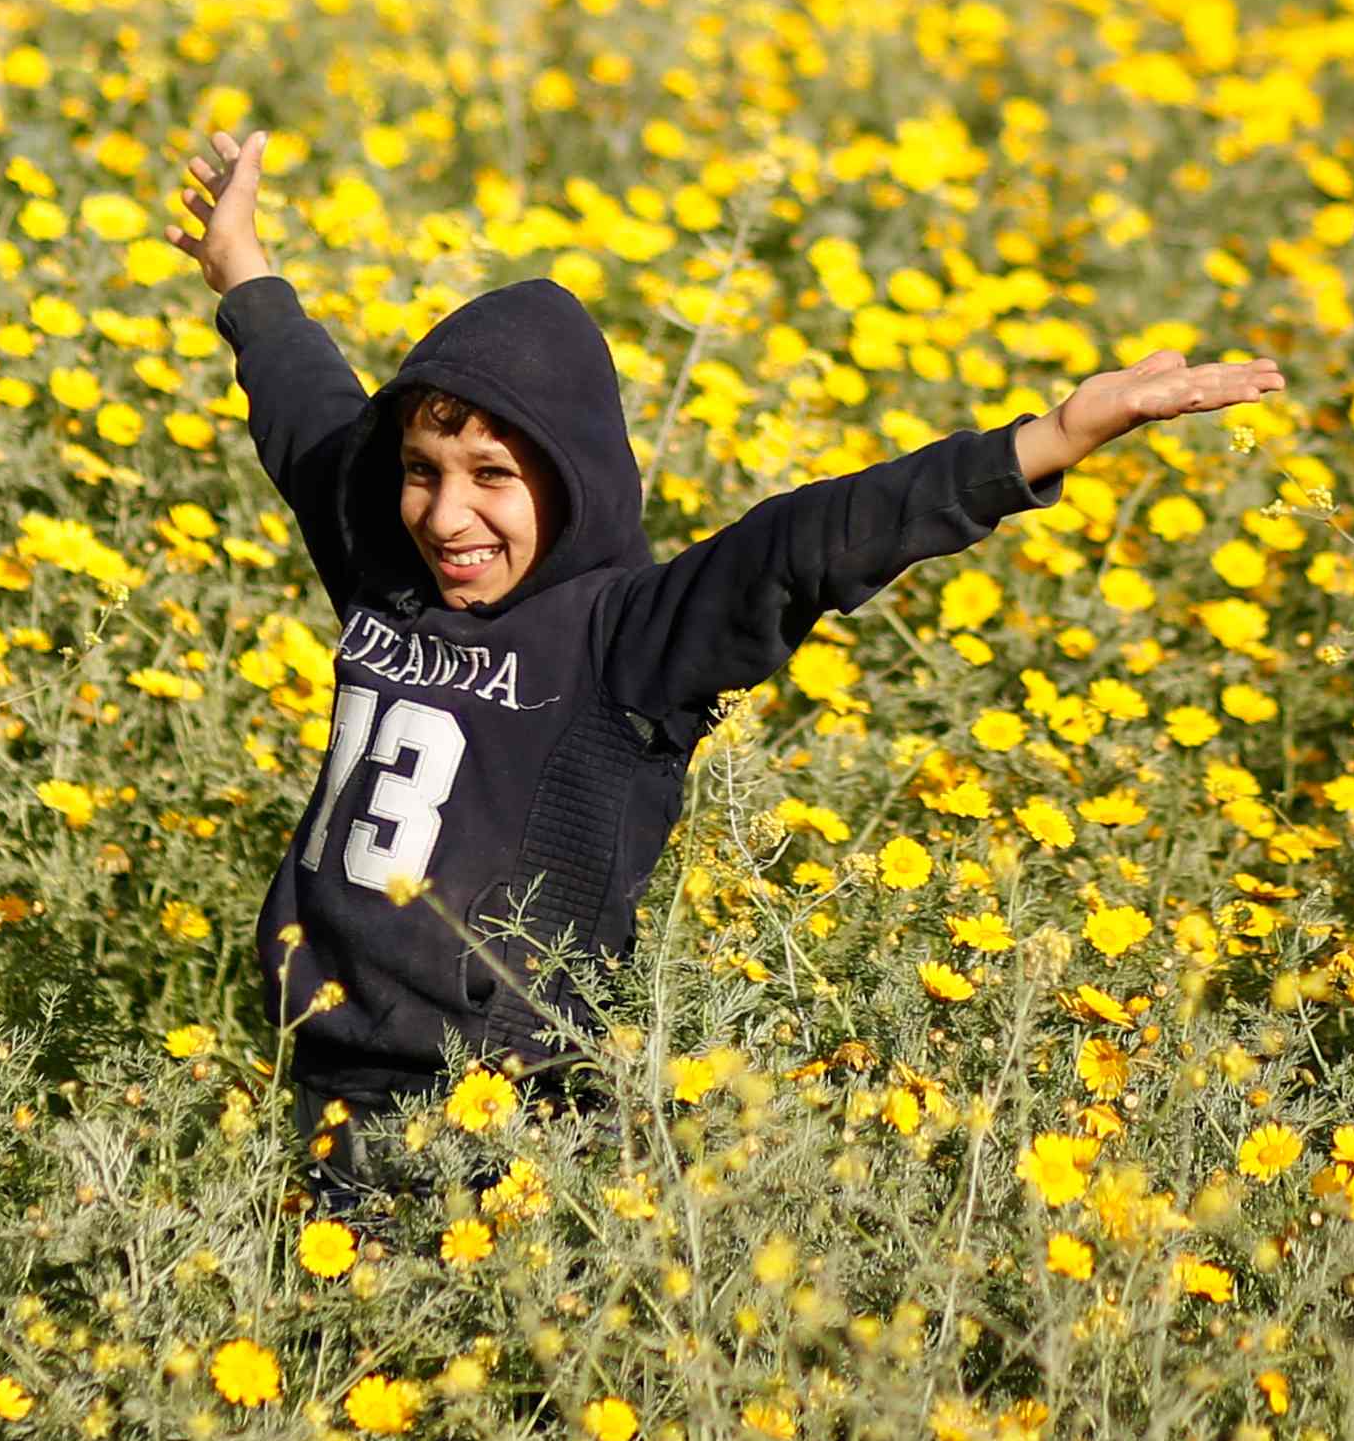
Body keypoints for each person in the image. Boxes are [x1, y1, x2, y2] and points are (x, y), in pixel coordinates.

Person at [175, 129, 1281, 1193]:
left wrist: (1045, 441)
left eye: (492, 476)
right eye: (420, 469)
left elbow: (804, 544)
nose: (445, 511)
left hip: (500, 1112)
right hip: (324, 1079)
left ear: (572, 480)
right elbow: (309, 405)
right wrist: (242, 269)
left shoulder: (628, 637)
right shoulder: (387, 563)